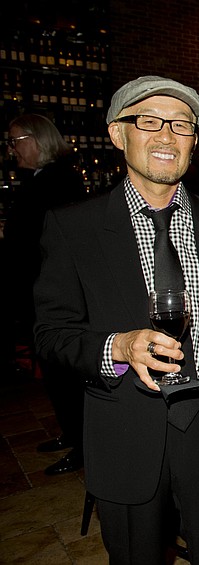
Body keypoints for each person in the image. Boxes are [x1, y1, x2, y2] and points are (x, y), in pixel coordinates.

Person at [33, 76, 199, 563]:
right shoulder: (74, 227)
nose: (166, 136)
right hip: (125, 426)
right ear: (117, 133)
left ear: (194, 141)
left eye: (181, 125)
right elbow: (51, 333)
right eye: (148, 121)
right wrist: (118, 347)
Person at [5, 114, 86, 474]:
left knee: (67, 372)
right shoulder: (39, 181)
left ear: (38, 140)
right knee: (53, 371)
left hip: (55, 293)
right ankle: (71, 432)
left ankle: (84, 444)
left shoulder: (58, 182)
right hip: (41, 289)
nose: (12, 149)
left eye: (16, 140)